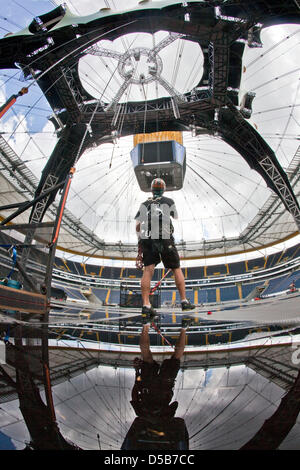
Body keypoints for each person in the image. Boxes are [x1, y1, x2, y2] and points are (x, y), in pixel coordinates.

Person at [135, 177, 195, 317]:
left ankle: (146, 305)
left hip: (147, 237)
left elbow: (138, 226)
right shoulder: (168, 201)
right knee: (176, 268)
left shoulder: (144, 204)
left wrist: (140, 244)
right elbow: (176, 217)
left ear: (151, 189)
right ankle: (184, 301)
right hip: (164, 236)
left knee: (148, 270)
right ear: (163, 189)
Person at [130, 316, 192, 422]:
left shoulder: (166, 418)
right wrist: (138, 373)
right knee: (146, 356)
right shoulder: (140, 414)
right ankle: (146, 326)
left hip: (164, 386)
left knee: (176, 357)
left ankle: (184, 328)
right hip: (148, 385)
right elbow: (135, 394)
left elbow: (175, 404)